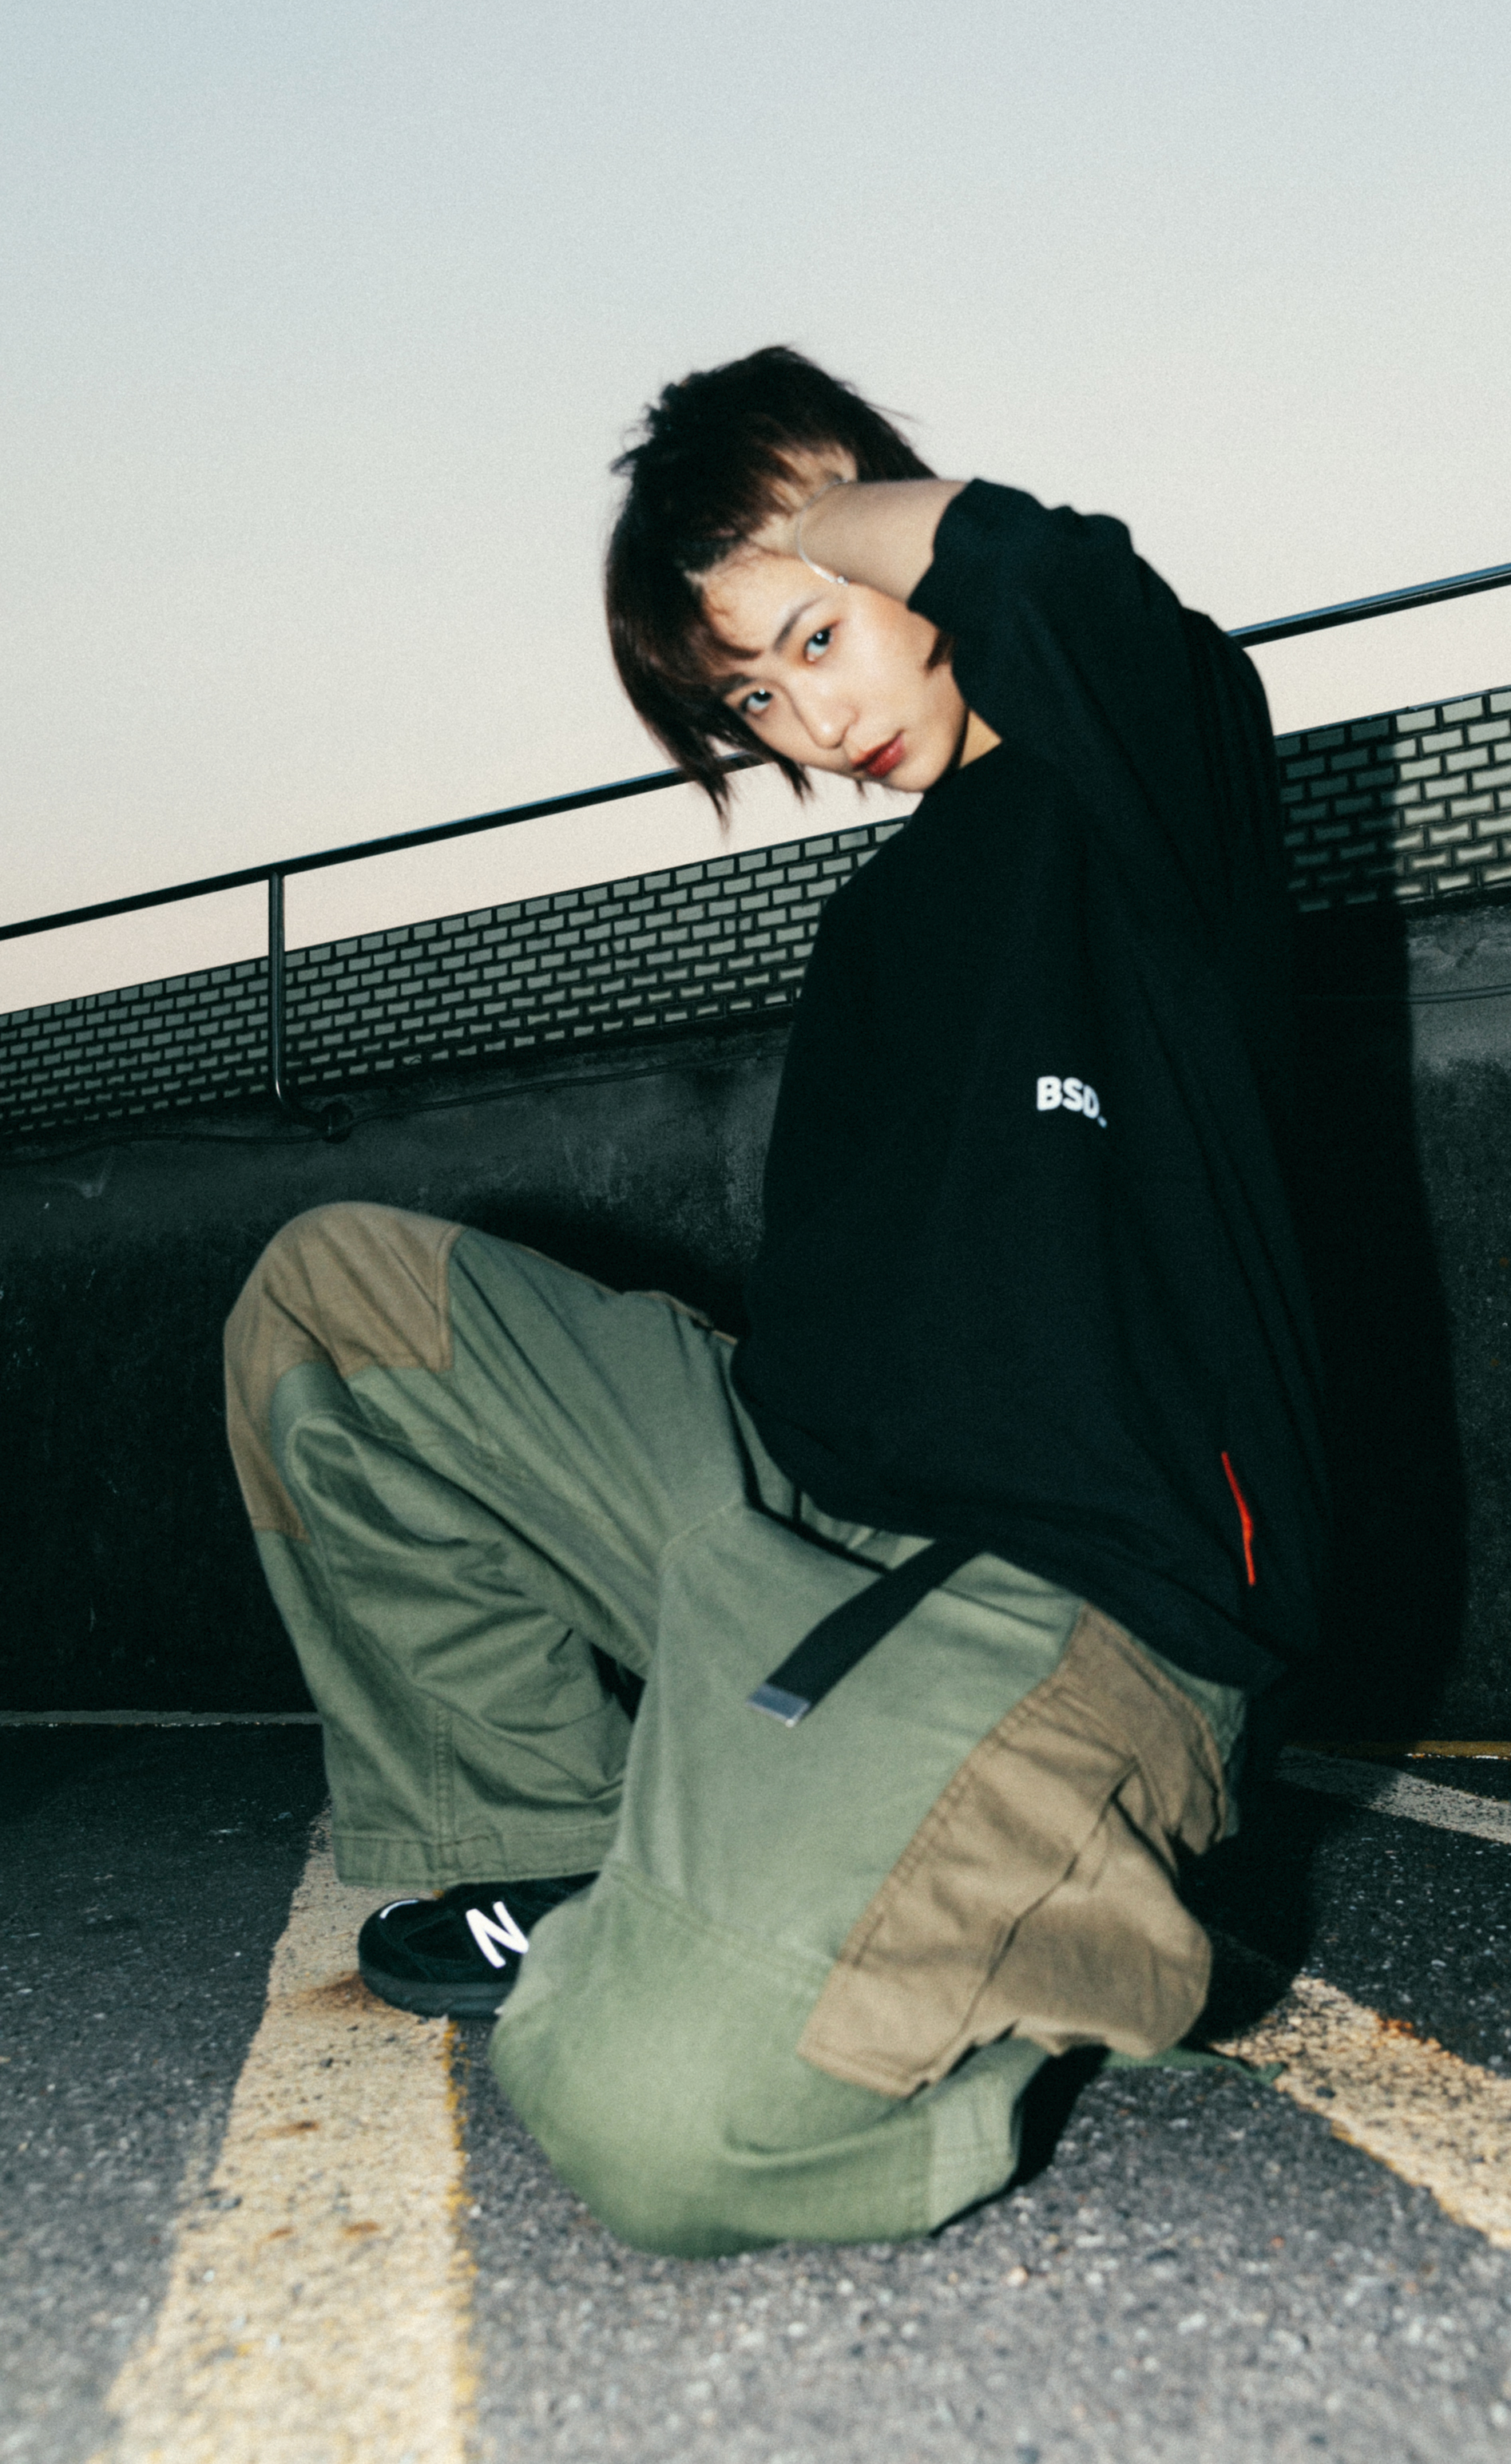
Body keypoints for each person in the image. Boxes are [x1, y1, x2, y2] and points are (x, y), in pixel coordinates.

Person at [223, 346, 1329, 2259]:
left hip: (1085, 1595)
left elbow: (1054, 577)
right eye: (752, 693)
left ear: (897, 537)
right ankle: (551, 1851)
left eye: (819, 634)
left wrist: (800, 511)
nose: (810, 721)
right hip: (806, 1522)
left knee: (659, 2112)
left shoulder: (1144, 791)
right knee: (335, 1299)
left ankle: (1065, 1914)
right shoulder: (873, 927)